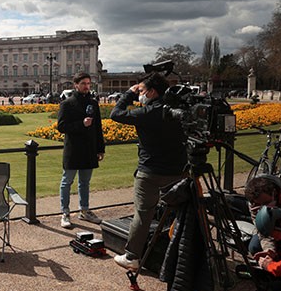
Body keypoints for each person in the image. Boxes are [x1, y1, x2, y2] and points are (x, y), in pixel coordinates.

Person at [109, 72, 187, 270]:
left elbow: (115, 114)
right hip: (179, 170)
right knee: (182, 214)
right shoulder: (176, 110)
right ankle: (184, 253)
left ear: (152, 92)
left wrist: (128, 93)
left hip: (150, 172)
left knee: (143, 214)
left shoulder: (147, 113)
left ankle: (132, 256)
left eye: (142, 91)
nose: (140, 94)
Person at [56, 72, 105, 228]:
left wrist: (100, 148)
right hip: (73, 149)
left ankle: (84, 210)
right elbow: (61, 127)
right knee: (67, 182)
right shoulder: (67, 104)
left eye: (89, 83)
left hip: (89, 148)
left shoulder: (93, 103)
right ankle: (65, 212)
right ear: (75, 84)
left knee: (85, 182)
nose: (86, 86)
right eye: (83, 83)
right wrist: (81, 124)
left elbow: (98, 128)